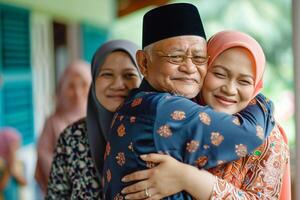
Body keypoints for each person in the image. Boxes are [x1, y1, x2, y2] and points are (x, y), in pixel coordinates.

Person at [101, 4, 275, 200]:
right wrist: (261, 100)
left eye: (199, 58)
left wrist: (187, 177)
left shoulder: (133, 105)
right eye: (175, 57)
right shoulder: (163, 108)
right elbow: (250, 133)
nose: (190, 68)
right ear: (143, 62)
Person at [45, 40, 142, 199]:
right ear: (94, 81)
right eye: (107, 74)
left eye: (129, 74)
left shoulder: (158, 134)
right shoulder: (72, 137)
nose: (118, 84)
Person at [35, 60, 92, 193]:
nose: (77, 92)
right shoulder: (53, 122)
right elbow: (44, 153)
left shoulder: (99, 119)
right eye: (71, 86)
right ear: (63, 88)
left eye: (83, 84)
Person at [0, 128, 27, 200]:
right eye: (13, 145)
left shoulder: (20, 163)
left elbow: (25, 183)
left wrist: (16, 174)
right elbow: (2, 186)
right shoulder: (1, 165)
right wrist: (9, 170)